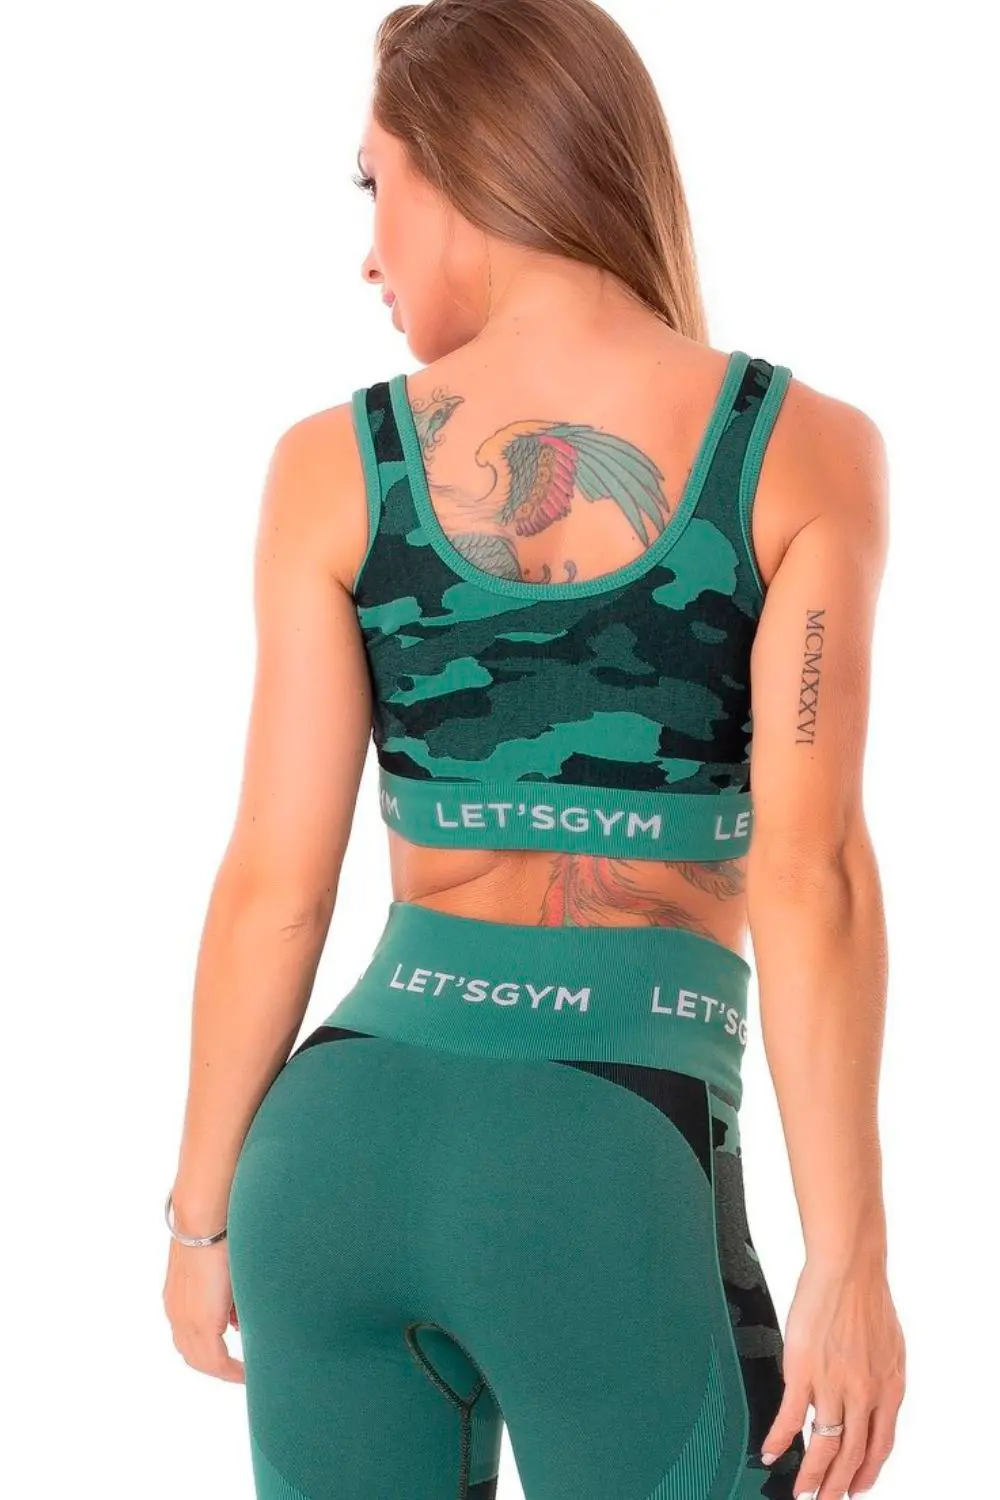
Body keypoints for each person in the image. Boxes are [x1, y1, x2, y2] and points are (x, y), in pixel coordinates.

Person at [161, 2, 906, 1497]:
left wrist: (198, 1217)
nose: (368, 255)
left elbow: (273, 890)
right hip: (608, 1164)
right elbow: (810, 874)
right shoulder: (798, 448)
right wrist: (852, 1262)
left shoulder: (335, 467)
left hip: (332, 1158)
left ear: (466, 164)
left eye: (374, 185)